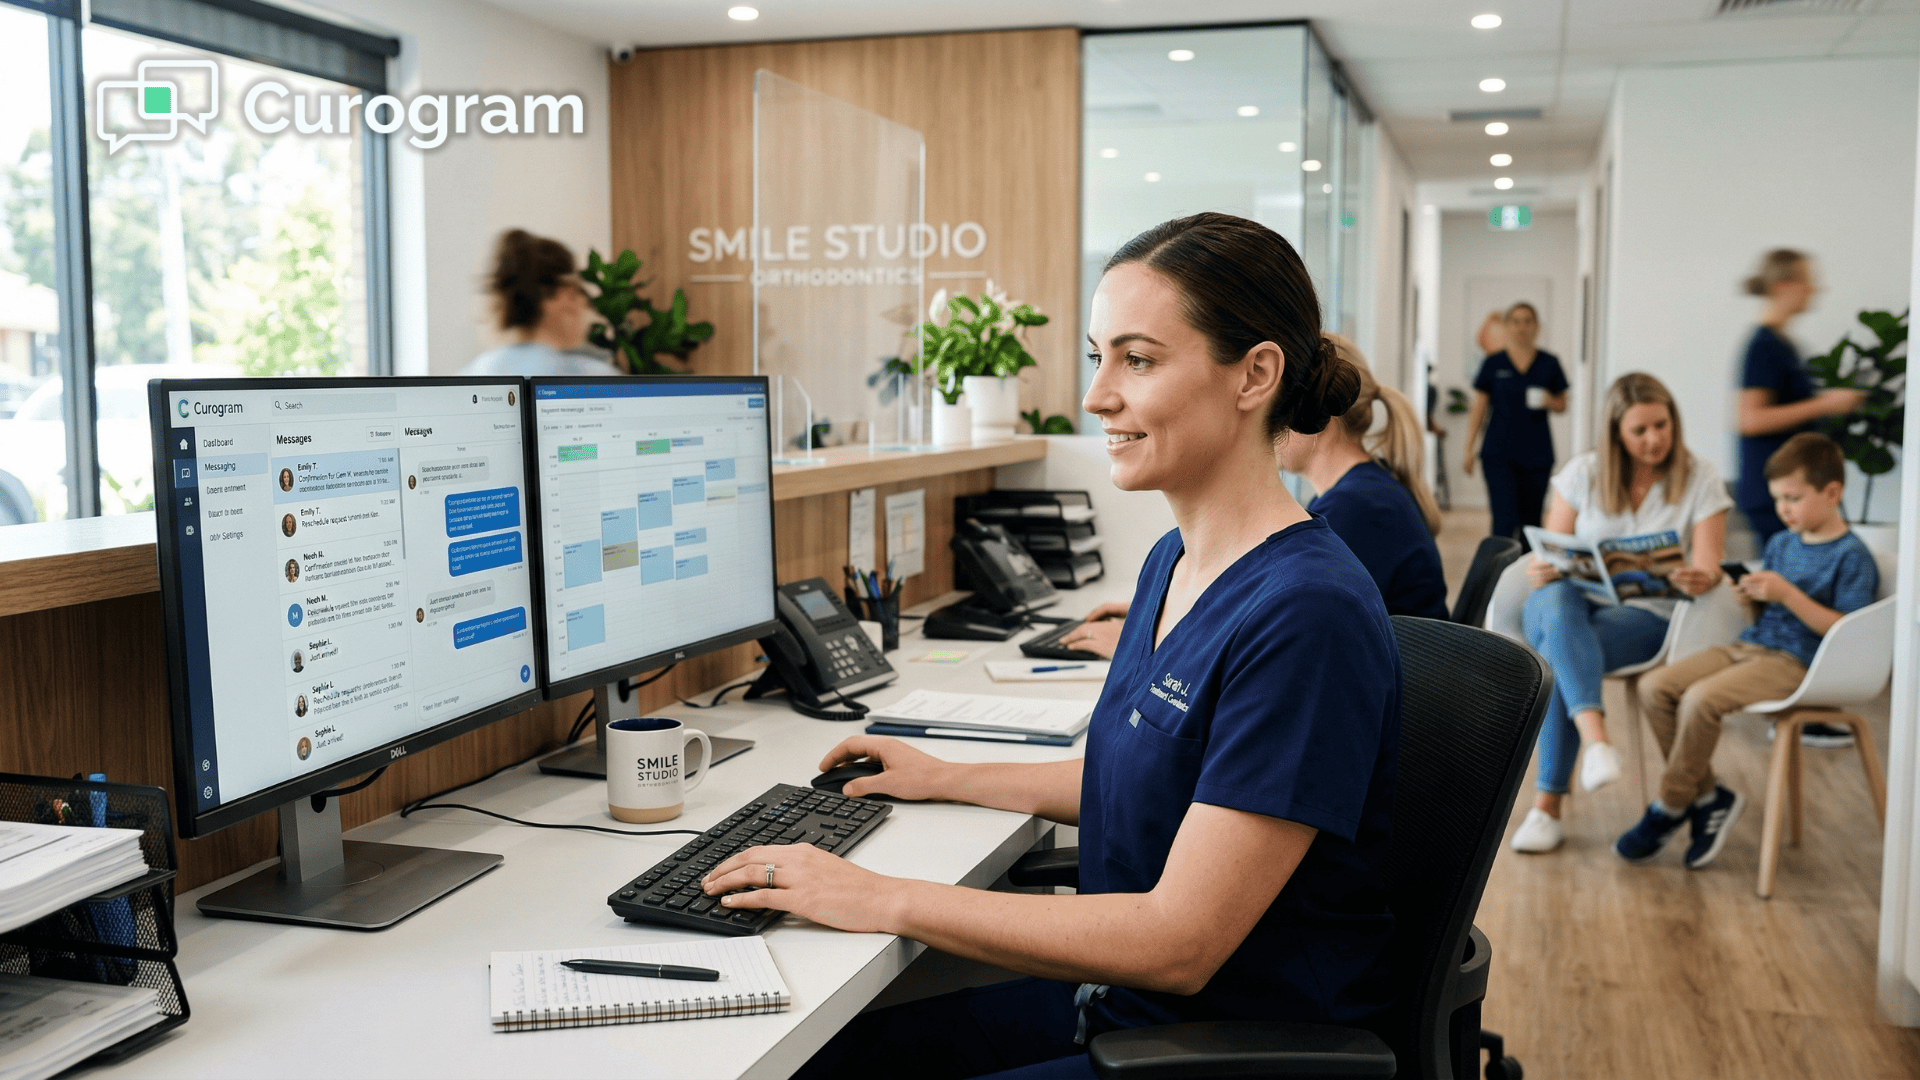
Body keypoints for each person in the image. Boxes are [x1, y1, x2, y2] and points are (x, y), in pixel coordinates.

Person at [699, 213, 1402, 1080]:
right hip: (1112, 1006)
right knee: (829, 1057)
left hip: (1216, 1046)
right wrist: (948, 777)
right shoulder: (1174, 561)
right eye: (1098, 357)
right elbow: (1152, 776)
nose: (1097, 396)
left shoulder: (1307, 614)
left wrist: (880, 897)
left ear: (1255, 374)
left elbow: (1178, 942)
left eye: (1137, 360)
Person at [1617, 433, 1877, 869]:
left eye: (1793, 498)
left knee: (1700, 700)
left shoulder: (1852, 556)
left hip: (1800, 663)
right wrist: (1751, 597)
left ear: (1833, 492)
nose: (1783, 509)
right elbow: (1764, 616)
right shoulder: (1781, 543)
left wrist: (1787, 594)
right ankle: (1708, 797)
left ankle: (1670, 805)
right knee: (1654, 686)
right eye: (1778, 500)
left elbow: (1848, 630)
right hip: (1751, 646)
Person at [1509, 373, 1730, 855]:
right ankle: (1596, 743)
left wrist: (1702, 577)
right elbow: (1552, 550)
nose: (1654, 439)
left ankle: (1548, 806)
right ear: (1615, 433)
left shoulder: (1701, 478)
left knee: (1558, 653)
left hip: (1649, 617)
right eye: (1639, 430)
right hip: (1573, 605)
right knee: (1556, 602)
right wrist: (1544, 567)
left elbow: (1711, 565)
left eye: (1661, 425)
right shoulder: (1582, 474)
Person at [1275, 334, 1448, 619]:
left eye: (1278, 408)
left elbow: (1298, 617)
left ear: (1320, 415)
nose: (1267, 426)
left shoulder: (1354, 509)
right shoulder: (1363, 491)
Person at [1735, 250, 1864, 542]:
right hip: (1775, 495)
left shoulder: (1782, 344)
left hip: (1790, 490)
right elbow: (1750, 419)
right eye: (1807, 280)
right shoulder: (1764, 346)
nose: (1815, 288)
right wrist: (1825, 404)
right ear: (1783, 287)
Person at [1464, 302, 1568, 543]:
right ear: (1507, 327)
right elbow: (1479, 407)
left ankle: (1530, 567)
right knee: (1503, 521)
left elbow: (1562, 404)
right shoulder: (1493, 363)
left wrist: (1549, 400)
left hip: (1537, 456)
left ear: (1537, 327)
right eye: (1516, 321)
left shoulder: (1549, 363)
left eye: (1527, 321)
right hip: (1498, 454)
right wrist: (1469, 448)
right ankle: (1501, 567)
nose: (1522, 327)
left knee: (1531, 523)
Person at [461, 229, 620, 377]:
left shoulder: (471, 374)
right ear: (565, 294)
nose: (584, 304)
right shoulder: (597, 378)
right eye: (580, 292)